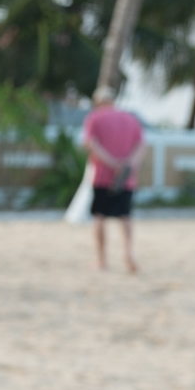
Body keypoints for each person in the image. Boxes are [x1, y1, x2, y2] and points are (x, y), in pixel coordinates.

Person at [82, 86, 144, 273]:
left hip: (103, 177)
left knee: (100, 216)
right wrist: (127, 164)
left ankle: (102, 259)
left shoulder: (94, 118)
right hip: (126, 178)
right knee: (125, 216)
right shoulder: (130, 119)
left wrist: (112, 163)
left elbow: (91, 144)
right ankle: (128, 252)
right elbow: (141, 145)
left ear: (98, 101)